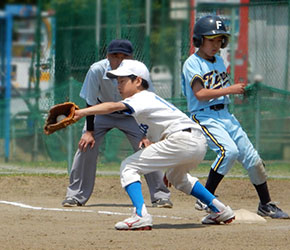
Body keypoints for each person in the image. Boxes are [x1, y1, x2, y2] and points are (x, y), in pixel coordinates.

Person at [70, 59, 235, 230]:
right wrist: (167, 161)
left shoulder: (141, 97)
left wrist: (81, 112)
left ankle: (140, 215)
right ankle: (219, 209)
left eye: (123, 81)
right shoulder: (148, 100)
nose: (118, 86)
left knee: (128, 166)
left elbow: (112, 107)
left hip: (182, 139)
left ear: (138, 81)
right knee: (176, 177)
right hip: (195, 142)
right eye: (117, 81)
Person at [181, 15, 289, 219]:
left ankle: (266, 204)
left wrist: (234, 92)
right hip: (204, 116)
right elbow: (200, 94)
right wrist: (230, 89)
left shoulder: (220, 60)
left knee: (253, 159)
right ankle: (205, 198)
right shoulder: (192, 63)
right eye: (211, 39)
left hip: (226, 115)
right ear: (199, 40)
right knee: (228, 152)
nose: (216, 44)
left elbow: (219, 89)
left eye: (220, 40)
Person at [62, 39, 173, 208]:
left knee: (148, 148)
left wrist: (146, 134)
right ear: (107, 56)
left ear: (132, 57)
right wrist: (89, 131)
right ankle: (75, 195)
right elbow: (91, 102)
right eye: (115, 56)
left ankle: (160, 195)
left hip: (132, 115)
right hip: (100, 113)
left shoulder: (139, 71)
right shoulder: (97, 70)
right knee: (85, 146)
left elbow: (147, 103)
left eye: (125, 56)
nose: (120, 60)